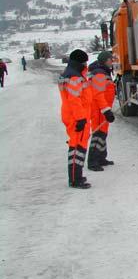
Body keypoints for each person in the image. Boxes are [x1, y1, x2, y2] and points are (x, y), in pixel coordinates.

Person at [58, 49, 92, 189]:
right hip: (76, 117)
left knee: (79, 147)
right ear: (79, 62)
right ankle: (74, 179)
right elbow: (74, 99)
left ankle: (77, 176)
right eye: (84, 62)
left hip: (76, 115)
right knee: (76, 147)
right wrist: (80, 118)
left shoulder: (71, 74)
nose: (86, 64)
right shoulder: (74, 77)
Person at [87, 51, 116, 171]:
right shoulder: (99, 74)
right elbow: (98, 95)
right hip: (99, 110)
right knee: (99, 134)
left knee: (103, 133)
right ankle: (93, 161)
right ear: (105, 60)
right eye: (110, 59)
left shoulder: (102, 71)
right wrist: (106, 111)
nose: (112, 61)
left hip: (102, 109)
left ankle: (101, 158)